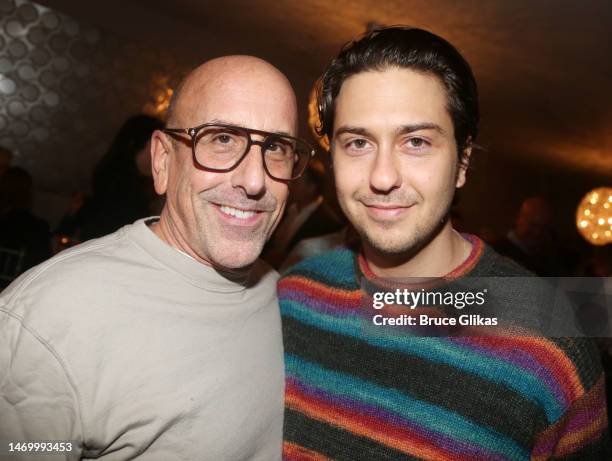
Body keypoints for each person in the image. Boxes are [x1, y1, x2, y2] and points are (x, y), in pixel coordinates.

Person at [280, 28, 609, 460]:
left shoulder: (547, 338)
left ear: (462, 164)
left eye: (416, 142)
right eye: (358, 143)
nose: (382, 177)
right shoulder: (291, 299)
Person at [0, 55, 313, 460]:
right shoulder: (48, 319)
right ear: (162, 162)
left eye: (275, 147)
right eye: (221, 139)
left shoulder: (289, 296)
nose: (254, 180)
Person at [55, 114, 164, 242]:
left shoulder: (120, 181)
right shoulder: (122, 189)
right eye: (157, 146)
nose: (162, 155)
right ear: (135, 144)